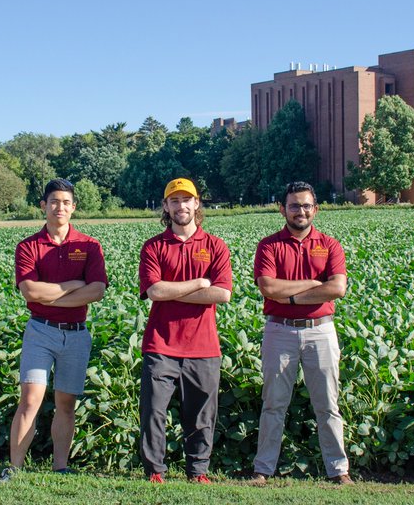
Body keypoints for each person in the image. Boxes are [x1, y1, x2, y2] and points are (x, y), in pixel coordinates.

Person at [1, 179, 108, 481]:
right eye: (54, 202)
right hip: (41, 331)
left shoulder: (89, 245)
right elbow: (30, 291)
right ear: (43, 206)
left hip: (76, 333)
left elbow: (97, 290)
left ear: (74, 207)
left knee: (66, 403)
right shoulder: (28, 246)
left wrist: (51, 297)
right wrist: (73, 285)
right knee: (30, 399)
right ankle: (15, 467)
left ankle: (60, 467)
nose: (59, 207)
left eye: (65, 202)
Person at [249, 181, 352, 485]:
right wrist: (314, 284)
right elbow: (269, 287)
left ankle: (339, 470)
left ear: (315, 209)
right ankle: (263, 470)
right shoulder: (269, 245)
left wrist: (291, 297)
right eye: (294, 206)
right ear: (282, 209)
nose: (300, 211)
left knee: (328, 404)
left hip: (321, 331)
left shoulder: (330, 245)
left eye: (306, 206)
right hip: (279, 330)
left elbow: (337, 288)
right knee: (273, 403)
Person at [138, 178, 232, 484]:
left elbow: (222, 294)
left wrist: (171, 291)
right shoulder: (154, 246)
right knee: (153, 411)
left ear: (197, 203)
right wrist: (199, 283)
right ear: (166, 206)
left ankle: (198, 471)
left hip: (203, 345)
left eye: (187, 199)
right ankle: (155, 471)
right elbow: (154, 291)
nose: (181, 206)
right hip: (161, 343)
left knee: (202, 413)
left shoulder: (215, 246)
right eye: (175, 200)